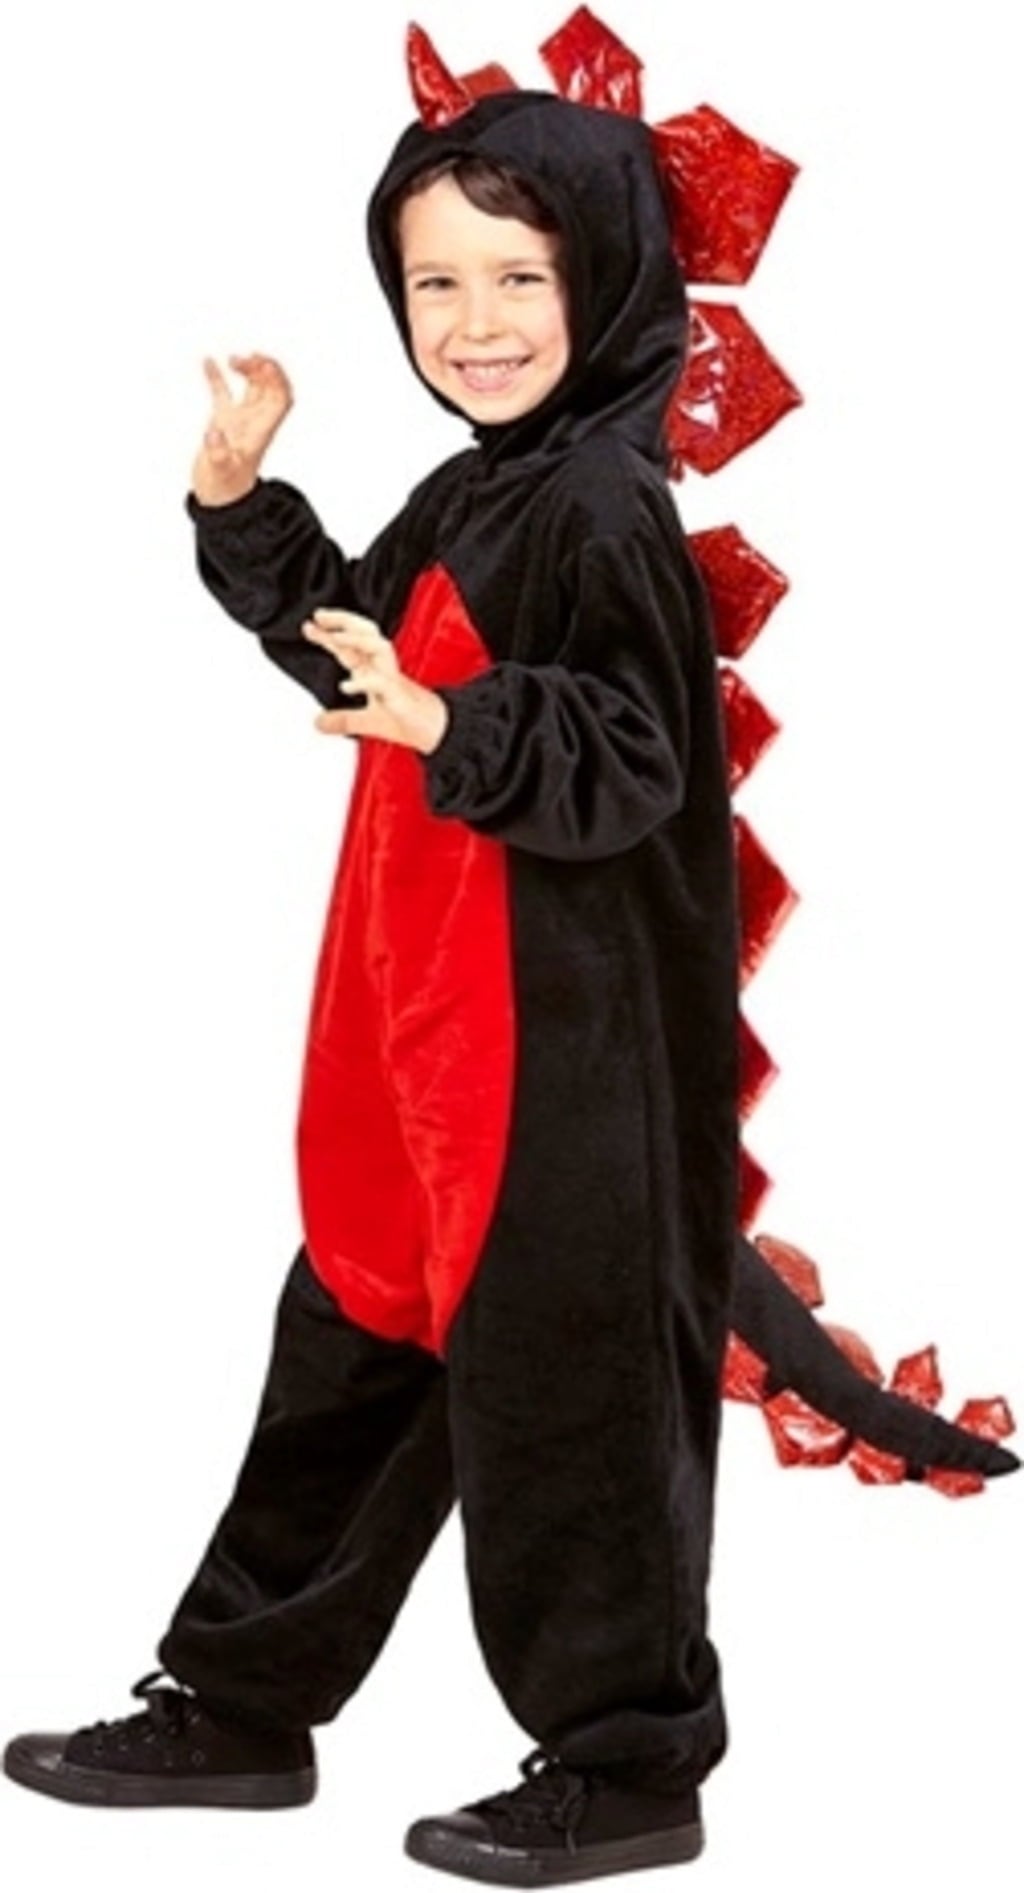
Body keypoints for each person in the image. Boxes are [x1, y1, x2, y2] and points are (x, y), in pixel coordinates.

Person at [3, 83, 1017, 1889]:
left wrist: (453, 719)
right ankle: (241, 1704)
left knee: (572, 1418)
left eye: (518, 277)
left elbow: (631, 756)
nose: (472, 322)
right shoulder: (484, 486)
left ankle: (629, 1763)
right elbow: (357, 644)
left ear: (607, 276)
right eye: (435, 283)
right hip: (410, 1042)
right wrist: (238, 501)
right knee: (343, 1371)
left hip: (560, 1064)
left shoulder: (607, 505)